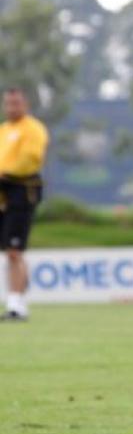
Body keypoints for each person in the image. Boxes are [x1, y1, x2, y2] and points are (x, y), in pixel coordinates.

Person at [0, 88, 48, 321]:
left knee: (14, 250)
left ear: (25, 104)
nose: (11, 108)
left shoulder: (33, 129)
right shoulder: (4, 130)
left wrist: (6, 172)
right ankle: (15, 300)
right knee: (9, 251)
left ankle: (17, 305)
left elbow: (30, 159)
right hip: (3, 192)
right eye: (8, 104)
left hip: (21, 189)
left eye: (16, 104)